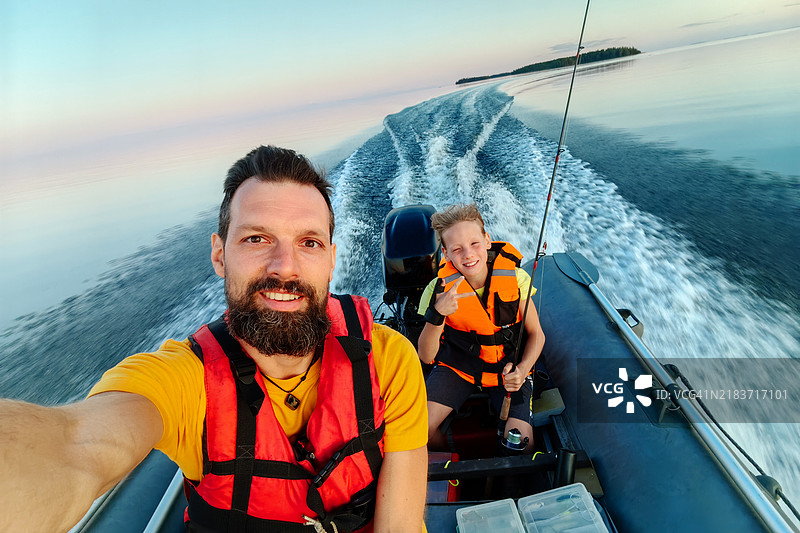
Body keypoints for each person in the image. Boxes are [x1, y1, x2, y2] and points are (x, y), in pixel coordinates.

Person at [0, 146, 428, 533]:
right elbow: (76, 444)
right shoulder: (185, 382)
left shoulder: (388, 359)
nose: (285, 266)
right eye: (257, 238)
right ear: (219, 254)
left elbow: (400, 526)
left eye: (309, 242)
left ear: (331, 261)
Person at [417, 203, 545, 453]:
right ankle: (450, 468)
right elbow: (426, 355)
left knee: (520, 441)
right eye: (457, 249)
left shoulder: (517, 280)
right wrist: (438, 314)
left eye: (474, 244)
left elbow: (537, 335)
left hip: (507, 370)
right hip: (459, 367)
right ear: (445, 253)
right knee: (419, 429)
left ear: (487, 240)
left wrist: (522, 370)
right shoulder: (436, 291)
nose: (468, 254)